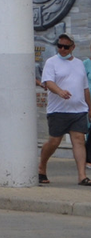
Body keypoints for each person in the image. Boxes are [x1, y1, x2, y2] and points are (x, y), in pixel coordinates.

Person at [38, 34, 91, 186]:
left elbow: (85, 88)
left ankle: (82, 176)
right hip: (58, 110)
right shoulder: (51, 62)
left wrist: (89, 107)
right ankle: (42, 166)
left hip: (78, 110)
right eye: (59, 46)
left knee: (79, 141)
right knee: (54, 141)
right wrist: (60, 91)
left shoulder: (80, 64)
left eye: (65, 47)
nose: (62, 49)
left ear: (72, 47)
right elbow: (48, 82)